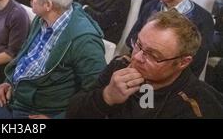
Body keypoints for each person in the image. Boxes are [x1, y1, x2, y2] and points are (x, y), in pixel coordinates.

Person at [66, 11, 223, 118]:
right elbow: (73, 112)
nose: (138, 57)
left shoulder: (198, 105)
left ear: (183, 62)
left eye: (153, 55)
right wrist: (106, 96)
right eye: (138, 44)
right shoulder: (121, 65)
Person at [125, 0, 214, 76]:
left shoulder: (202, 18)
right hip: (138, 67)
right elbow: (131, 38)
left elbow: (197, 62)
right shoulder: (150, 6)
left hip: (173, 79)